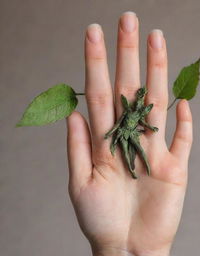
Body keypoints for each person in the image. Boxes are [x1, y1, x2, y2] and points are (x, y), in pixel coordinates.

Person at [66, 11, 193, 256]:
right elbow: (123, 120)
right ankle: (132, 166)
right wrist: (113, 247)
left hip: (132, 132)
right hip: (125, 132)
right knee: (125, 148)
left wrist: (150, 127)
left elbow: (139, 113)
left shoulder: (139, 109)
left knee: (142, 156)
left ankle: (135, 166)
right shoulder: (128, 113)